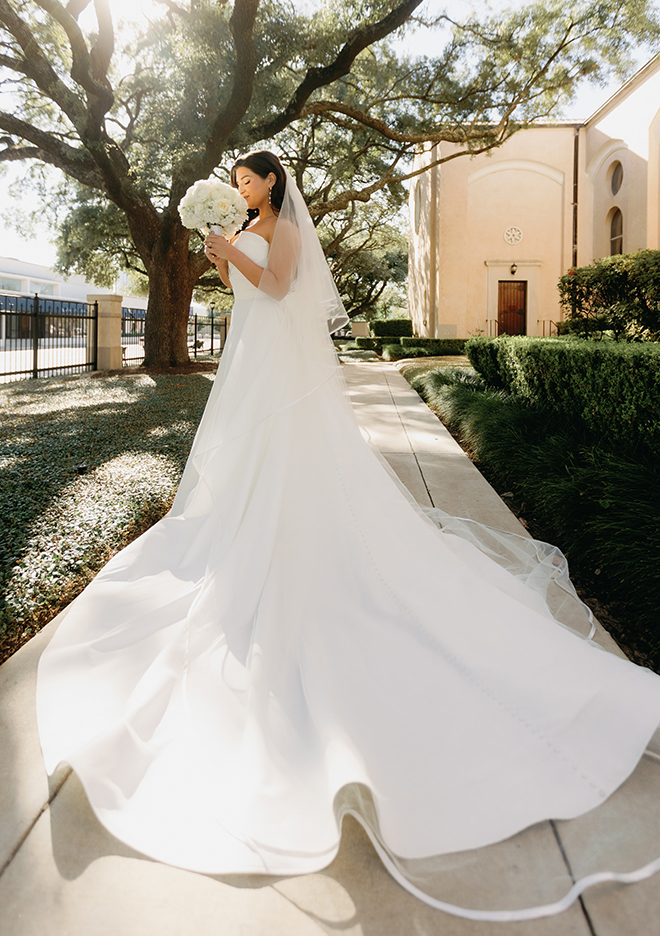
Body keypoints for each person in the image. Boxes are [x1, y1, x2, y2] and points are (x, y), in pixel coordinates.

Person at [36, 151, 660, 921]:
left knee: (296, 478)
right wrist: (219, 250)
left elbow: (281, 287)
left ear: (273, 183)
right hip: (250, 367)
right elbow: (243, 301)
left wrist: (229, 251)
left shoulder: (285, 230)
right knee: (242, 477)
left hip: (283, 379)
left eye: (246, 179)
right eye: (232, 182)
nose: (238, 188)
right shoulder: (246, 225)